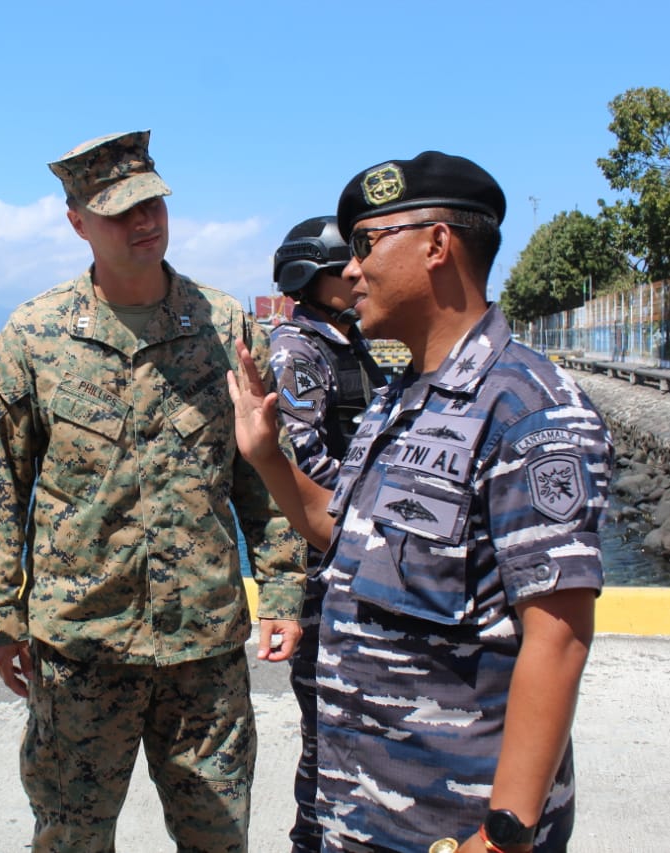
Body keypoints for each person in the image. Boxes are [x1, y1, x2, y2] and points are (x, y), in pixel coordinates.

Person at [228, 151, 612, 853]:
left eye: (367, 244)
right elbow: (335, 531)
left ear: (436, 245)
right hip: (360, 813)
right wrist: (267, 456)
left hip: (452, 826)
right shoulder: (398, 400)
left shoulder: (528, 409)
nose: (351, 270)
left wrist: (503, 835)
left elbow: (558, 637)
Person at [0, 129, 306, 853]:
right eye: (119, 211)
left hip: (202, 653)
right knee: (70, 839)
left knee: (217, 838)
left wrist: (281, 591)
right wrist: (1, 612)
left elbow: (261, 473)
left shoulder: (225, 328)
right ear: (77, 222)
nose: (143, 222)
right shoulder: (32, 336)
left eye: (152, 203)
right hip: (82, 652)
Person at [268, 215, 388, 853]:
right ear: (308, 277)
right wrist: (380, 506)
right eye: (345, 267)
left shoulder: (348, 342)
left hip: (357, 556)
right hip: (324, 569)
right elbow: (306, 457)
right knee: (327, 736)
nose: (357, 275)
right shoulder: (299, 350)